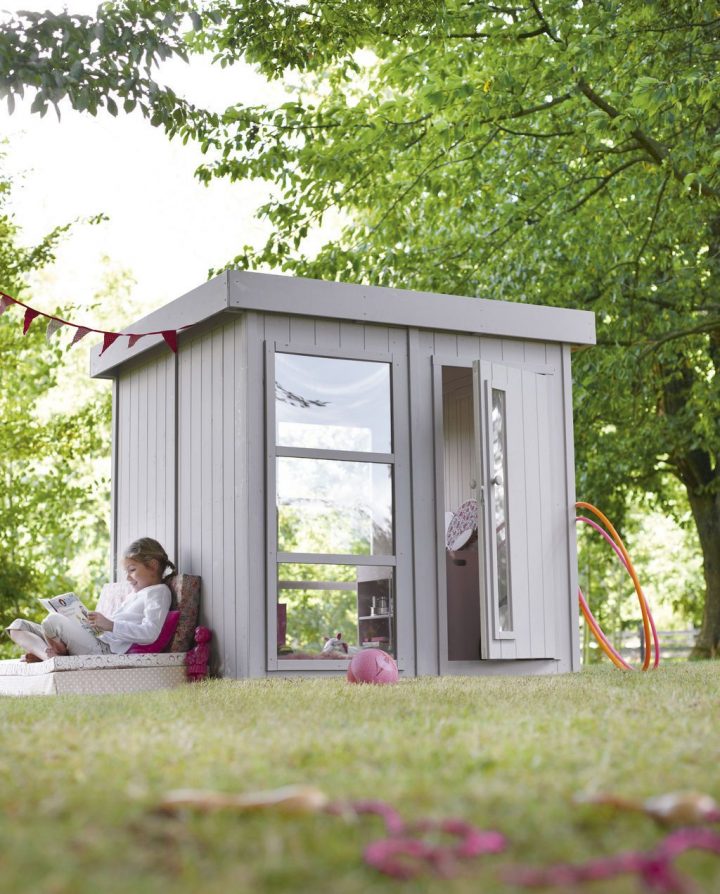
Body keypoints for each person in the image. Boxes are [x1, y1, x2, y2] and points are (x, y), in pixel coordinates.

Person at [5, 538, 175, 662]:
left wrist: (110, 625)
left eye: (132, 570)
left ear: (153, 565)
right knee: (17, 626)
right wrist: (92, 622)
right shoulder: (134, 594)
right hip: (97, 638)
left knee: (51, 621)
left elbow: (150, 633)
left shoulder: (158, 592)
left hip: (106, 649)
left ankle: (52, 656)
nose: (128, 578)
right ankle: (49, 656)